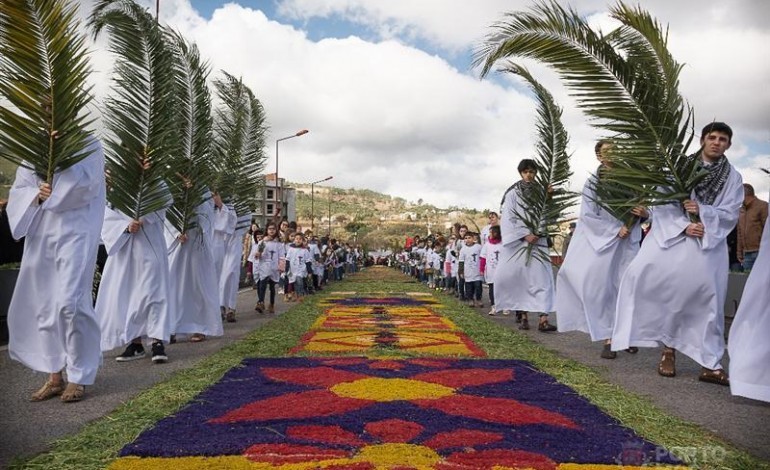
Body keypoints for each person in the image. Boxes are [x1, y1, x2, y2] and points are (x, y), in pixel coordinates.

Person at [611, 122, 743, 385]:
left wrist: (703, 214)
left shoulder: (733, 177)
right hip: (677, 241)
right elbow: (661, 202)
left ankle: (710, 363)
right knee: (668, 294)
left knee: (709, 302)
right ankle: (668, 351)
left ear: (728, 144)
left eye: (723, 139)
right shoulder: (677, 168)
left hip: (708, 243)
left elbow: (731, 211)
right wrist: (684, 225)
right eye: (712, 137)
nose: (717, 142)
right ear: (703, 140)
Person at [7, 137, 105, 402]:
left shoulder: (87, 144)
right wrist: (36, 195)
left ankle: (79, 376)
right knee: (45, 306)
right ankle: (54, 376)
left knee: (69, 304)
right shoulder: (34, 148)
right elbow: (21, 189)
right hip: (42, 235)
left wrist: (56, 184)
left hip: (76, 232)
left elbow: (88, 186)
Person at [555, 140, 643, 358]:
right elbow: (588, 215)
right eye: (606, 151)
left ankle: (626, 335)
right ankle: (608, 338)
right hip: (604, 241)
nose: (611, 154)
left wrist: (644, 214)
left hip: (628, 241)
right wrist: (615, 230)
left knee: (626, 287)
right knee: (603, 289)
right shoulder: (593, 183)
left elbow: (645, 207)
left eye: (614, 150)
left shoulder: (630, 180)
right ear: (598, 157)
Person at [97, 178, 173, 364]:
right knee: (128, 295)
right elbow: (107, 214)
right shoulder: (119, 183)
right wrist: (125, 227)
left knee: (154, 294)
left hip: (150, 247)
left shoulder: (156, 182)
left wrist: (144, 219)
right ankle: (135, 343)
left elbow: (165, 200)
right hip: (125, 251)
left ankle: (157, 341)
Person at [493, 159, 557, 332]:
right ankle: (524, 317)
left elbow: (550, 213)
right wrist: (524, 234)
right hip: (520, 243)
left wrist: (550, 197)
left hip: (539, 241)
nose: (529, 174)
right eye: (526, 171)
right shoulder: (513, 194)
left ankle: (544, 319)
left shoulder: (542, 192)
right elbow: (508, 218)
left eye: (532, 171)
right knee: (521, 279)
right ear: (521, 173)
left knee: (542, 279)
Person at [165, 190, 222, 343]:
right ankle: (171, 327)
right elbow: (166, 213)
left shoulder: (203, 190)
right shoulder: (174, 187)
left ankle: (200, 326)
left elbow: (207, 217)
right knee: (174, 286)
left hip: (197, 243)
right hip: (178, 244)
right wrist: (176, 233)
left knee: (197, 286)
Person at [728, 217, 770, 402]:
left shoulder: (759, 206)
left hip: (754, 247)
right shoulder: (744, 212)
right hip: (749, 250)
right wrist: (740, 250)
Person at [251, 222, 284, 314]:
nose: (272, 231)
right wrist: (258, 253)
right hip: (264, 266)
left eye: (273, 229)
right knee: (262, 284)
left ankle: (272, 304)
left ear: (276, 230)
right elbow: (259, 252)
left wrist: (281, 267)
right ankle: (261, 302)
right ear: (267, 230)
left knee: (272, 287)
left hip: (274, 268)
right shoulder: (262, 242)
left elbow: (281, 256)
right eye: (270, 229)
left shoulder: (279, 243)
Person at [736, 183, 767, 272]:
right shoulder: (741, 210)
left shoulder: (763, 206)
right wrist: (739, 252)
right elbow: (739, 232)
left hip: (760, 252)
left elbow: (767, 229)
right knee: (747, 282)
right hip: (747, 254)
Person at [480, 225, 502, 315]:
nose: (489, 234)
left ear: (496, 233)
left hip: (501, 272)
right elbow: (483, 258)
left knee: (502, 289)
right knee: (492, 289)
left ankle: (504, 306)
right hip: (491, 271)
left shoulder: (503, 244)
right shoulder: (487, 245)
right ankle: (493, 306)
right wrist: (481, 269)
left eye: (491, 232)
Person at [459, 232, 483, 307]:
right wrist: (461, 271)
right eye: (466, 238)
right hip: (468, 271)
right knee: (469, 287)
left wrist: (483, 268)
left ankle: (478, 299)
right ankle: (470, 299)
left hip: (477, 271)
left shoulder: (478, 247)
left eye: (469, 238)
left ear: (473, 238)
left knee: (478, 286)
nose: (468, 240)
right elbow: (461, 261)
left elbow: (482, 257)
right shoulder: (463, 249)